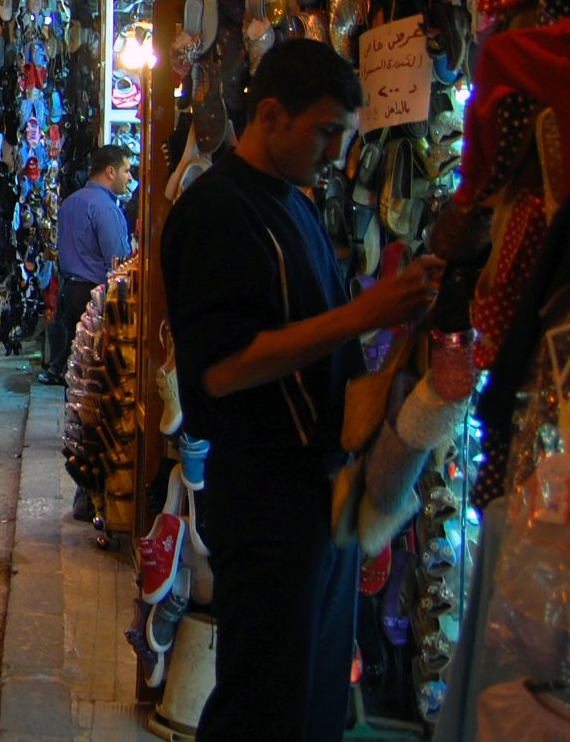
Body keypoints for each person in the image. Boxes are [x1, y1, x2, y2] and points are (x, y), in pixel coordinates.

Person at [162, 40, 442, 742]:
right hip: (266, 500)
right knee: (267, 706)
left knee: (312, 701)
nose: (336, 154)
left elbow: (315, 337)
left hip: (321, 495)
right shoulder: (217, 212)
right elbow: (222, 370)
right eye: (325, 133)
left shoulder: (297, 205)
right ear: (271, 116)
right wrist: (362, 314)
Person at [46, 146, 135, 387]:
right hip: (95, 296)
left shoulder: (70, 204)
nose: (130, 177)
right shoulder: (105, 208)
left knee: (77, 371)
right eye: (126, 171)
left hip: (70, 292)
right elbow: (117, 262)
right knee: (95, 374)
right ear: (110, 171)